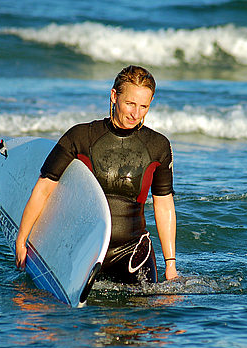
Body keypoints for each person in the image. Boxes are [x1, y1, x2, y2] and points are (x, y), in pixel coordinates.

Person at [15, 65, 178, 284]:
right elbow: (44, 188)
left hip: (131, 251)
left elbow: (164, 205)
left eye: (144, 106)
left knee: (145, 310)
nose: (136, 114)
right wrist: (22, 240)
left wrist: (171, 264)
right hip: (83, 247)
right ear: (114, 96)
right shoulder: (81, 137)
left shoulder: (158, 146)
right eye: (130, 103)